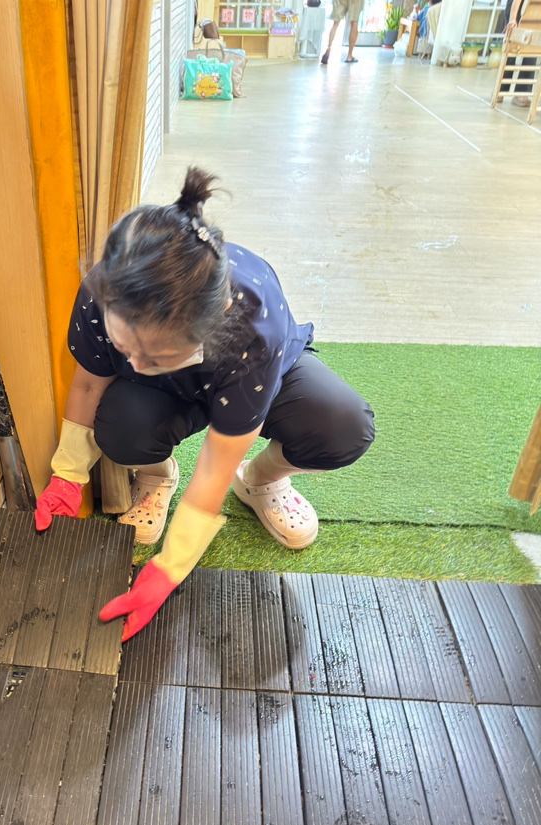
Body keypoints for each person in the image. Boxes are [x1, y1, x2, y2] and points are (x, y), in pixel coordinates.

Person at [34, 168, 375, 641]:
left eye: (155, 355)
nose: (133, 363)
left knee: (341, 426)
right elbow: (91, 384)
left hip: (243, 375)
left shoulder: (254, 327)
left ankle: (260, 481)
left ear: (217, 322)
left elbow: (216, 462)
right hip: (164, 393)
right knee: (120, 424)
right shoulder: (102, 291)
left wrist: (171, 565)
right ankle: (157, 475)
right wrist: (68, 474)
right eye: (125, 347)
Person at [499, 0, 533, 107]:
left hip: (534, 11)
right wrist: (512, 19)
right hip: (516, 7)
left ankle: (522, 92)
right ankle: (500, 89)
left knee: (531, 51)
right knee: (511, 49)